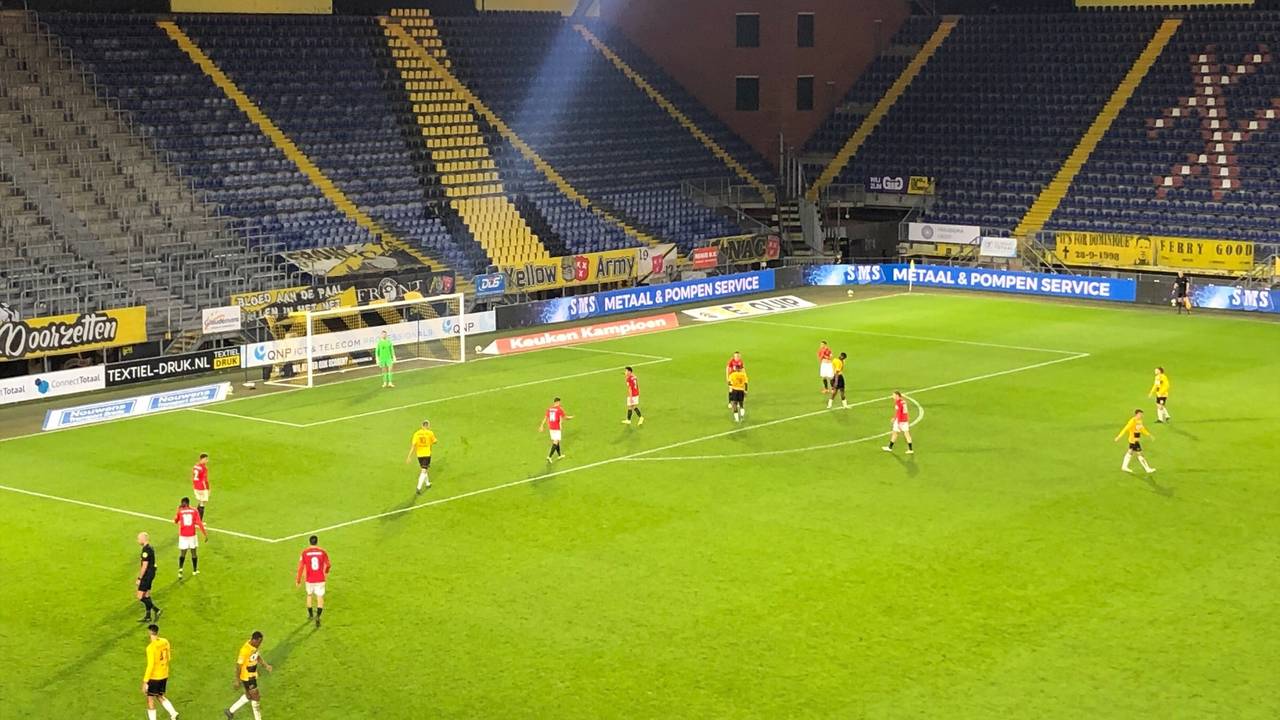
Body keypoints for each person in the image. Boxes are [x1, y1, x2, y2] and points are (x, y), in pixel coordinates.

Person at [226, 631, 273, 720]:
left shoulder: (254, 646)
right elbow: (238, 666)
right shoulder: (244, 650)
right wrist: (237, 679)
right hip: (247, 677)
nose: (260, 644)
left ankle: (230, 711)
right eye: (259, 642)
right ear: (254, 640)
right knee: (256, 697)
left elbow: (257, 656)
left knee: (249, 696)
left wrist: (266, 665)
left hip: (252, 675)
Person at [142, 623, 179, 720]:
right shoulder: (165, 641)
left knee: (150, 699)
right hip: (164, 674)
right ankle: (173, 713)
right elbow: (169, 657)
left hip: (155, 676)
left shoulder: (150, 648)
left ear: (150, 632)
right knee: (160, 695)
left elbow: (150, 665)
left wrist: (145, 682)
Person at [295, 535, 331, 628]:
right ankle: (318, 616)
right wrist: (326, 572)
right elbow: (328, 565)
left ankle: (310, 614)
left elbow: (300, 567)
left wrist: (298, 580)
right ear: (317, 542)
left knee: (309, 595)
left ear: (309, 542)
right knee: (320, 597)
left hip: (309, 579)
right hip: (320, 578)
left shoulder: (305, 552)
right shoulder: (322, 552)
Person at [174, 497, 208, 579]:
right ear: (188, 503)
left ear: (182, 503)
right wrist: (205, 534)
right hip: (192, 535)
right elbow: (199, 523)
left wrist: (178, 511)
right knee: (193, 552)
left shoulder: (180, 511)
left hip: (183, 536)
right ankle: (194, 570)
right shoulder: (194, 510)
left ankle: (180, 570)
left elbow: (175, 520)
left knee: (183, 553)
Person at [1114, 408, 1156, 474]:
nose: (1142, 416)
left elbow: (1142, 429)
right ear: (1136, 414)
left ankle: (1124, 467)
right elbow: (1125, 429)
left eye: (1142, 414)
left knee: (1130, 452)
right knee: (1140, 454)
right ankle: (1147, 469)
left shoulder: (1140, 421)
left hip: (1136, 439)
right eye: (1140, 414)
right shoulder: (1132, 421)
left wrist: (1149, 435)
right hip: (1133, 440)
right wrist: (1119, 437)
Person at [404, 420, 437, 494]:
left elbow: (413, 445)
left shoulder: (416, 433)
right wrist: (432, 441)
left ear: (422, 426)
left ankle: (427, 483)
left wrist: (409, 456)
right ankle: (418, 488)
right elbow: (435, 441)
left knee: (424, 468)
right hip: (427, 454)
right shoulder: (430, 433)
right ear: (428, 426)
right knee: (424, 470)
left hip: (419, 455)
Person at [136, 532, 162, 622]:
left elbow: (144, 566)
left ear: (143, 539)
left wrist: (139, 578)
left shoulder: (146, 550)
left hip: (147, 575)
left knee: (140, 596)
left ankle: (157, 610)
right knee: (146, 595)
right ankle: (148, 616)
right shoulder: (150, 548)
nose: (138, 541)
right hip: (151, 574)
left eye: (139, 539)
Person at [539, 397, 573, 462]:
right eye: (559, 402)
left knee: (556, 441)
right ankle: (549, 456)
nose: (560, 404)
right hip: (556, 427)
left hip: (551, 427)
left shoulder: (549, 409)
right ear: (557, 402)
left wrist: (541, 425)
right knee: (556, 442)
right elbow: (565, 417)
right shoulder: (559, 409)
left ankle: (559, 455)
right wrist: (570, 417)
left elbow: (545, 418)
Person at [192, 453, 211, 520]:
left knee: (200, 502)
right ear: (202, 459)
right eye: (206, 459)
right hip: (202, 487)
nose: (207, 461)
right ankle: (199, 521)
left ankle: (195, 518)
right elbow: (205, 480)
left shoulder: (195, 466)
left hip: (195, 487)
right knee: (203, 503)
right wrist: (208, 489)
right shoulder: (204, 468)